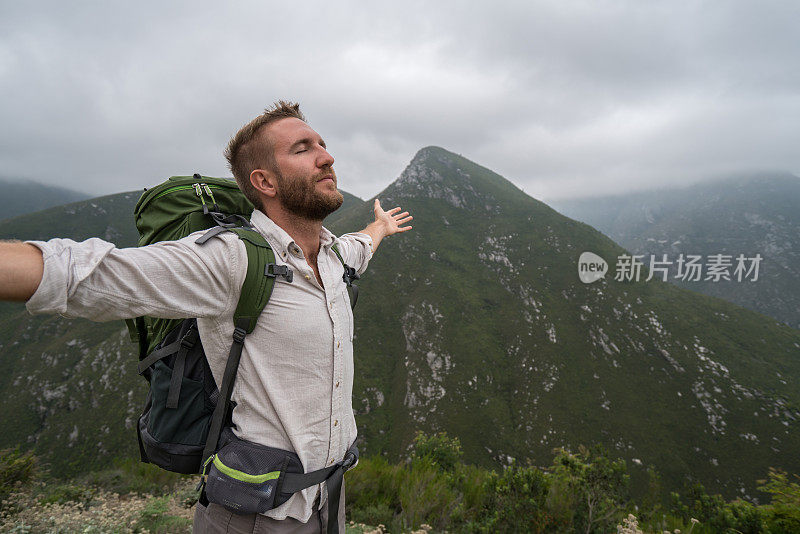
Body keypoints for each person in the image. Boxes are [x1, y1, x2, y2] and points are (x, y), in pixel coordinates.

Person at [0, 101, 413, 533]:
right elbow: (94, 276)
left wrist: (379, 227)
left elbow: (358, 246)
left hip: (328, 501)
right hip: (258, 515)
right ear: (264, 181)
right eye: (303, 148)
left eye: (323, 145)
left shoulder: (332, 259)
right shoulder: (231, 259)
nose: (327, 156)